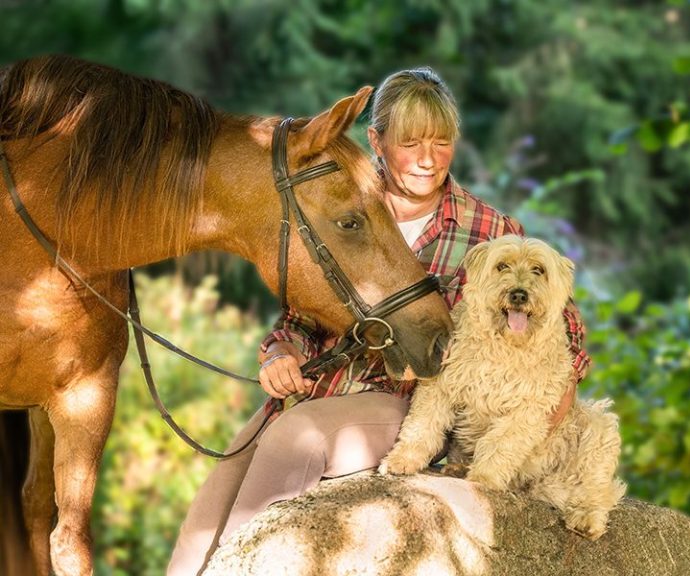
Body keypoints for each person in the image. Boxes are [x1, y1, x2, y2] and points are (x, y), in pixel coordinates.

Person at [167, 67, 590, 575]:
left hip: (411, 402)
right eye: (411, 142)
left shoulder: (491, 232)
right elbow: (301, 317)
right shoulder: (343, 209)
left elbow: (563, 334)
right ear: (377, 140)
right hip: (324, 385)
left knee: (295, 438)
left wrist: (537, 434)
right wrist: (282, 353)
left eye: (441, 142)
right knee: (211, 509)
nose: (428, 159)